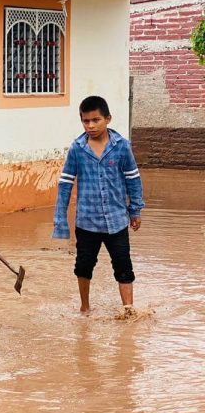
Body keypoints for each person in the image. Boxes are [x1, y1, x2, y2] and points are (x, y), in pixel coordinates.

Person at [52, 95, 144, 314]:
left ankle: (128, 309)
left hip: (117, 220)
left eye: (95, 120)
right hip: (87, 221)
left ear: (108, 119)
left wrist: (135, 211)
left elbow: (133, 178)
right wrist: (60, 219)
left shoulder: (121, 146)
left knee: (123, 266)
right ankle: (85, 307)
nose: (91, 126)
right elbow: (65, 184)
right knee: (83, 266)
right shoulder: (77, 148)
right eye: (86, 121)